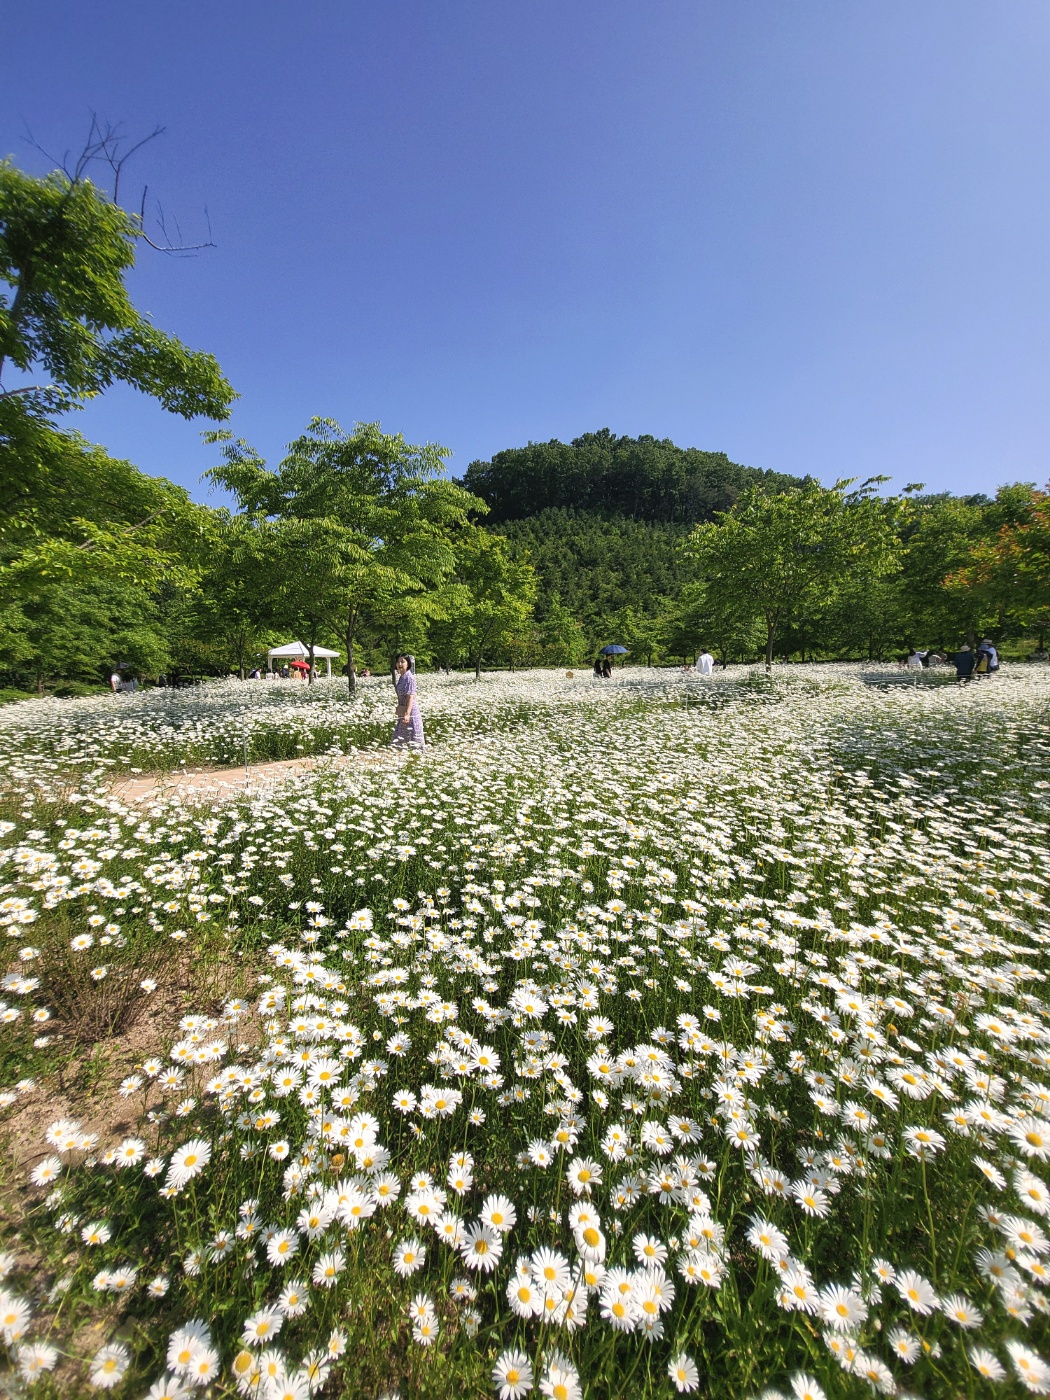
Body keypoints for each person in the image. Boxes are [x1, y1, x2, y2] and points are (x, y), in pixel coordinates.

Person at [391, 653, 425, 750]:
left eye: (402, 661)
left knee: (414, 741)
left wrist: (407, 713)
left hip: (410, 712)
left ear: (408, 664)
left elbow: (410, 696)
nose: (399, 664)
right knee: (399, 741)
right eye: (398, 662)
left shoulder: (409, 678)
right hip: (403, 711)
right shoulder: (402, 677)